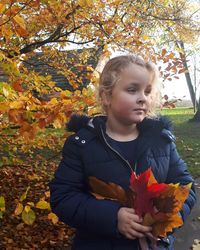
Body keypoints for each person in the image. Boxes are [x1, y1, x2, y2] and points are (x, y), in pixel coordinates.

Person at [49, 55, 196, 250]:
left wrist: (166, 217)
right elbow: (63, 197)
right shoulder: (83, 145)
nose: (143, 97)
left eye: (148, 91)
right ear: (106, 96)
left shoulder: (161, 141)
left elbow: (186, 187)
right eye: (132, 90)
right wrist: (112, 217)